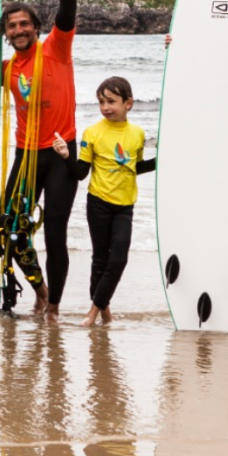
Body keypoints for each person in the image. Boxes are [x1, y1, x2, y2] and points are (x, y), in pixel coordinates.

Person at [0, 0, 82, 319]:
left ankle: (54, 308)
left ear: (36, 27)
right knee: (9, 227)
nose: (19, 30)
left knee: (54, 234)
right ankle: (40, 290)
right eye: (12, 26)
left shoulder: (57, 49)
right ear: (5, 34)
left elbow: (66, 12)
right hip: (26, 154)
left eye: (24, 24)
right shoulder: (6, 68)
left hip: (61, 154)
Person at [53, 76, 156, 327]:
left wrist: (160, 161)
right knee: (100, 259)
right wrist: (66, 156)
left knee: (118, 259)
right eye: (101, 102)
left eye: (111, 101)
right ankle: (102, 312)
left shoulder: (137, 134)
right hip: (98, 201)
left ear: (128, 103)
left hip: (125, 205)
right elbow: (80, 173)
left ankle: (94, 310)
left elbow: (134, 167)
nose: (105, 107)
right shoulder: (93, 132)